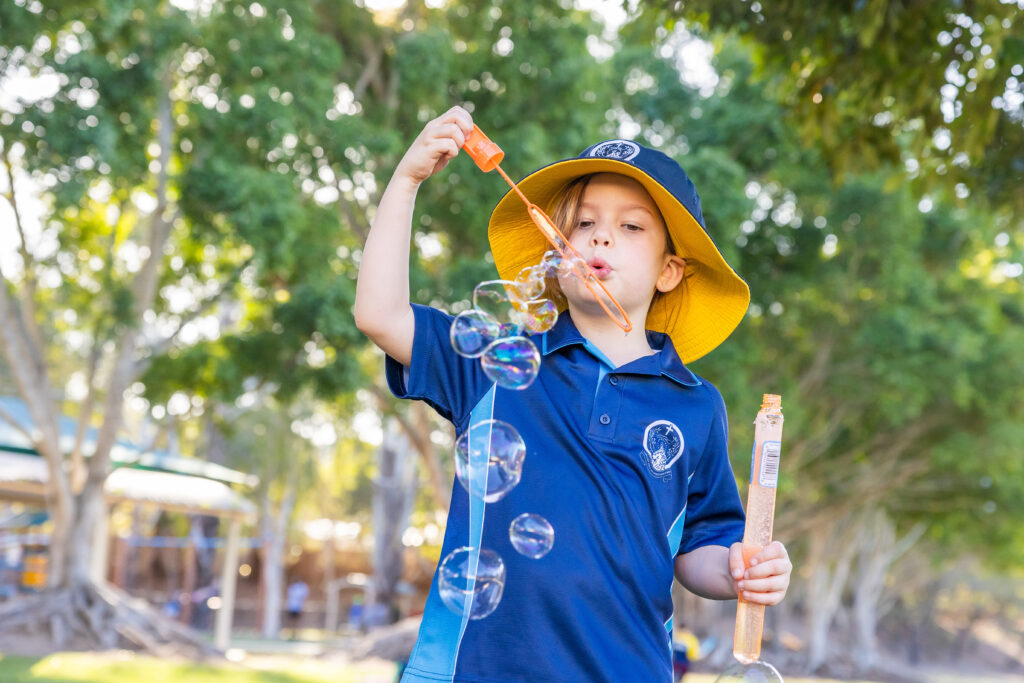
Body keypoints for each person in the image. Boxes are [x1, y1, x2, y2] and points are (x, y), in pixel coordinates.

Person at [354, 106, 793, 683]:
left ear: (670, 271)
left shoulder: (695, 404)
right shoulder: (496, 359)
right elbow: (379, 315)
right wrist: (406, 180)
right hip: (475, 671)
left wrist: (741, 571)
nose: (601, 234)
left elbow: (700, 546)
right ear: (555, 252)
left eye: (632, 226)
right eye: (582, 223)